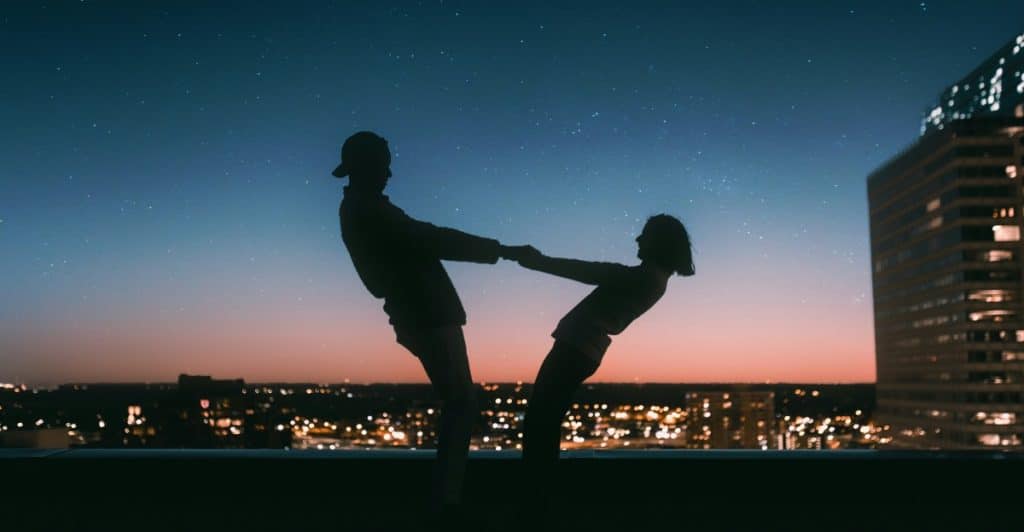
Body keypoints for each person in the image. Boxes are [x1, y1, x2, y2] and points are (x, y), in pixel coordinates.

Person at [332, 131, 530, 516]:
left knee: (460, 400)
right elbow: (432, 238)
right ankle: (447, 499)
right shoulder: (368, 210)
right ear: (369, 165)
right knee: (462, 401)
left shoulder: (364, 208)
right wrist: (500, 250)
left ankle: (448, 495)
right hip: (425, 312)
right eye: (384, 163)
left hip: (420, 312)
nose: (390, 172)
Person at [512, 214, 694, 514]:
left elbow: (589, 271)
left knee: (539, 421)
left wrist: (538, 261)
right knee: (544, 420)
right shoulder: (654, 279)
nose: (637, 239)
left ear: (659, 242)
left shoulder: (645, 277)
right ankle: (539, 496)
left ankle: (536, 499)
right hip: (584, 349)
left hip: (576, 347)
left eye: (645, 235)